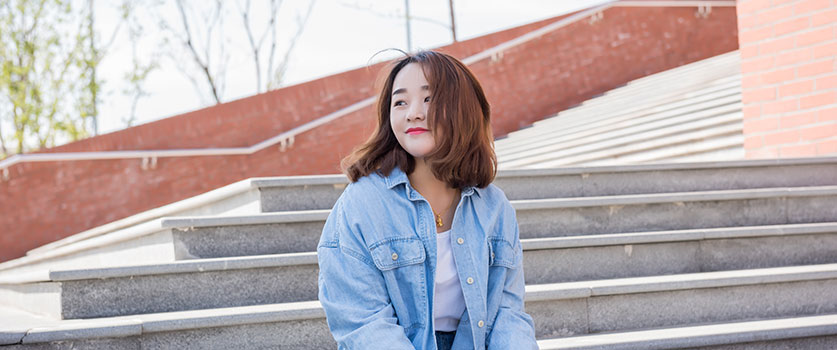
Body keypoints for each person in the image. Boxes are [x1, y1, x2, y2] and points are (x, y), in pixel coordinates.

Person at [317, 50, 538, 350]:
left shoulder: (494, 208)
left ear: (463, 108)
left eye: (429, 99)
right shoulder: (360, 206)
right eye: (400, 102)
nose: (413, 113)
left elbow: (507, 316)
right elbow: (363, 324)